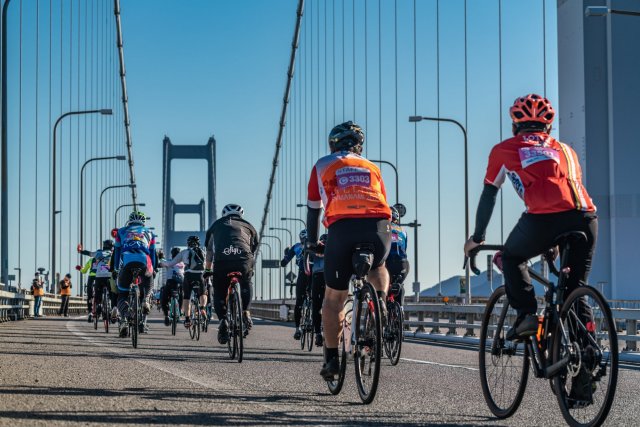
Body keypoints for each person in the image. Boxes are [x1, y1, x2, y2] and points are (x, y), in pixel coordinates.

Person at [463, 94, 597, 405]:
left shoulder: (504, 149)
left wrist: (477, 238)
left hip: (543, 219)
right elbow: (564, 193)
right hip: (586, 217)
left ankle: (526, 315)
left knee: (511, 256)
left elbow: (489, 195)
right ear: (549, 125)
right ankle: (585, 366)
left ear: (514, 125)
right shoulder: (567, 150)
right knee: (574, 289)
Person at [306, 121, 392, 379]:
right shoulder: (373, 167)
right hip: (379, 228)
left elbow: (313, 209)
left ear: (332, 144)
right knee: (378, 266)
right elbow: (383, 201)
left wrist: (312, 245)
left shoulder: (322, 164)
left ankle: (332, 360)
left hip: (342, 229)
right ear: (359, 146)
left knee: (333, 299)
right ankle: (380, 301)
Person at [205, 203, 258, 345]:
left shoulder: (215, 225)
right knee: (246, 282)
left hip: (222, 261)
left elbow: (210, 252)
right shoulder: (249, 226)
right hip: (243, 260)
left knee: (219, 291)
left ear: (224, 214)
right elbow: (253, 249)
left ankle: (223, 320)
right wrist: (249, 269)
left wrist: (207, 270)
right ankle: (246, 312)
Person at [111, 211, 157, 338]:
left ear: (129, 220)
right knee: (149, 281)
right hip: (144, 261)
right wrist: (153, 269)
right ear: (143, 222)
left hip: (127, 263)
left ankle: (125, 319)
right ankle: (146, 300)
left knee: (122, 294)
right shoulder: (150, 232)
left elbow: (117, 252)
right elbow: (152, 253)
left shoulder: (121, 231)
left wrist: (115, 269)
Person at [160, 236, 207, 328]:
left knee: (186, 297)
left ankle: (187, 319)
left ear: (188, 244)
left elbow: (170, 264)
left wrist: (162, 261)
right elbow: (209, 265)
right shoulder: (203, 252)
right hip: (200, 275)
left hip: (189, 275)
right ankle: (202, 308)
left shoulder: (184, 252)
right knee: (203, 293)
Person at [280, 229, 311, 340]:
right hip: (316, 276)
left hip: (303, 275)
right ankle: (318, 332)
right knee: (319, 302)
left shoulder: (296, 247)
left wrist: (285, 257)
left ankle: (297, 330)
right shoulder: (317, 245)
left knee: (299, 302)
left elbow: (284, 262)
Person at [386, 206, 410, 305]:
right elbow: (404, 248)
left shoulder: (383, 228)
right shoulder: (403, 232)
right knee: (399, 285)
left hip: (387, 262)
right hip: (403, 263)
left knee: (382, 285)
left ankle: (382, 310)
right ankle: (400, 309)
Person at [310, 233, 328, 347]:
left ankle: (317, 333)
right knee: (334, 303)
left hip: (316, 277)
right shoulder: (333, 247)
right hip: (329, 277)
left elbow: (306, 263)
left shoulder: (314, 248)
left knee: (316, 305)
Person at [159, 247, 184, 326]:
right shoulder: (183, 263)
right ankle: (179, 311)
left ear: (172, 254)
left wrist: (160, 257)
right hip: (180, 283)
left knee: (164, 299)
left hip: (170, 283)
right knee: (182, 296)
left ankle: (166, 315)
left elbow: (161, 262)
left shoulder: (169, 262)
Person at [77, 255, 97, 322]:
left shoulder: (91, 260)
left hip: (91, 277)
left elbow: (84, 271)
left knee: (89, 295)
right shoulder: (105, 258)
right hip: (101, 277)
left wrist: (80, 268)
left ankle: (90, 312)